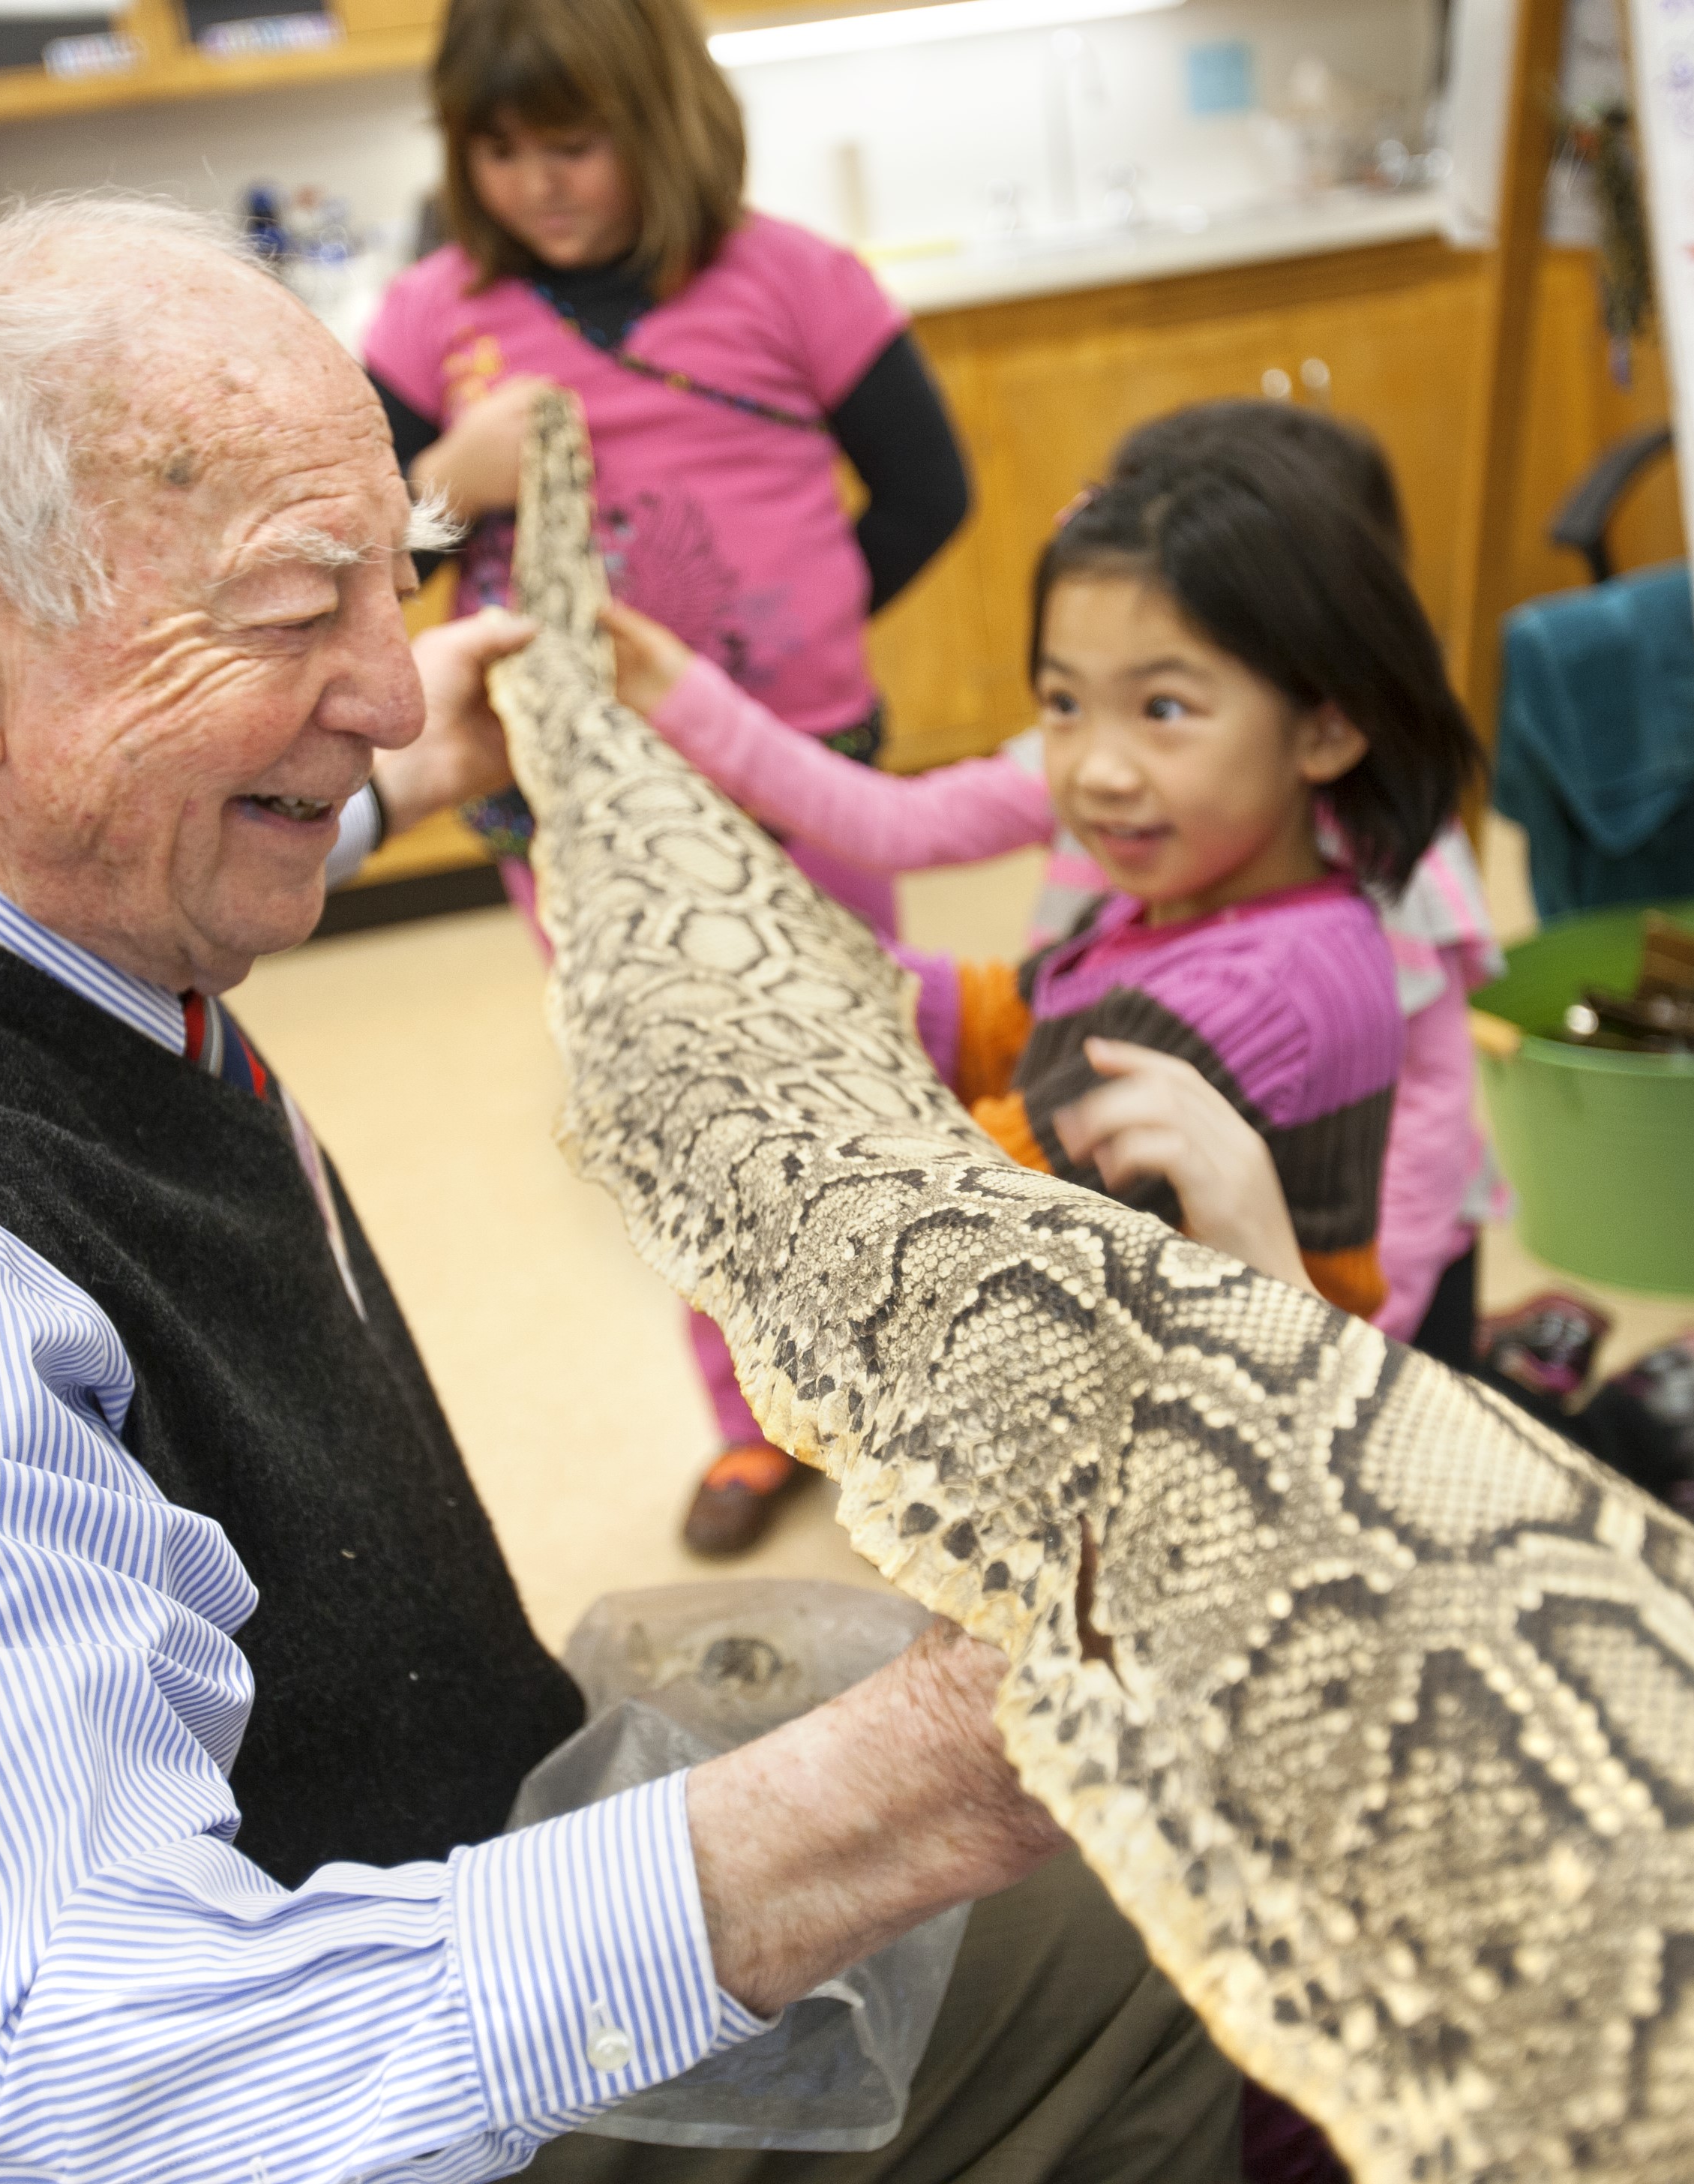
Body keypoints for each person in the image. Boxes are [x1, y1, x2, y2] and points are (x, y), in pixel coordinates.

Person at [0, 196, 1237, 2184]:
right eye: (291, 611)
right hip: (234, 2107)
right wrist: (941, 1781)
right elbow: (100, 2093)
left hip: (354, 1823)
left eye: (389, 588)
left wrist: (354, 776)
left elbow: (100, 855)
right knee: (1117, 1928)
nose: (397, 693)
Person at [606, 409, 1474, 1551]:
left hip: (1201, 1492)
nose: (1097, 769)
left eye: (1165, 709)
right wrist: (797, 967)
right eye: (1064, 704)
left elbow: (950, 1220)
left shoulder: (1247, 993)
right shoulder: (1207, 910)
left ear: (1325, 730)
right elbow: (1024, 1013)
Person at [361, 0, 971, 1532]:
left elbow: (927, 489)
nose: (540, 186)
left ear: (663, 120)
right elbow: (370, 570)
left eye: (574, 144)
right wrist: (447, 482)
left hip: (799, 770)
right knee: (678, 1106)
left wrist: (777, 661)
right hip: (569, 806)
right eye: (500, 152)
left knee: (865, 1071)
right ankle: (758, 1412)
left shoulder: (792, 279)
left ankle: (922, 1382)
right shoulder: (436, 315)